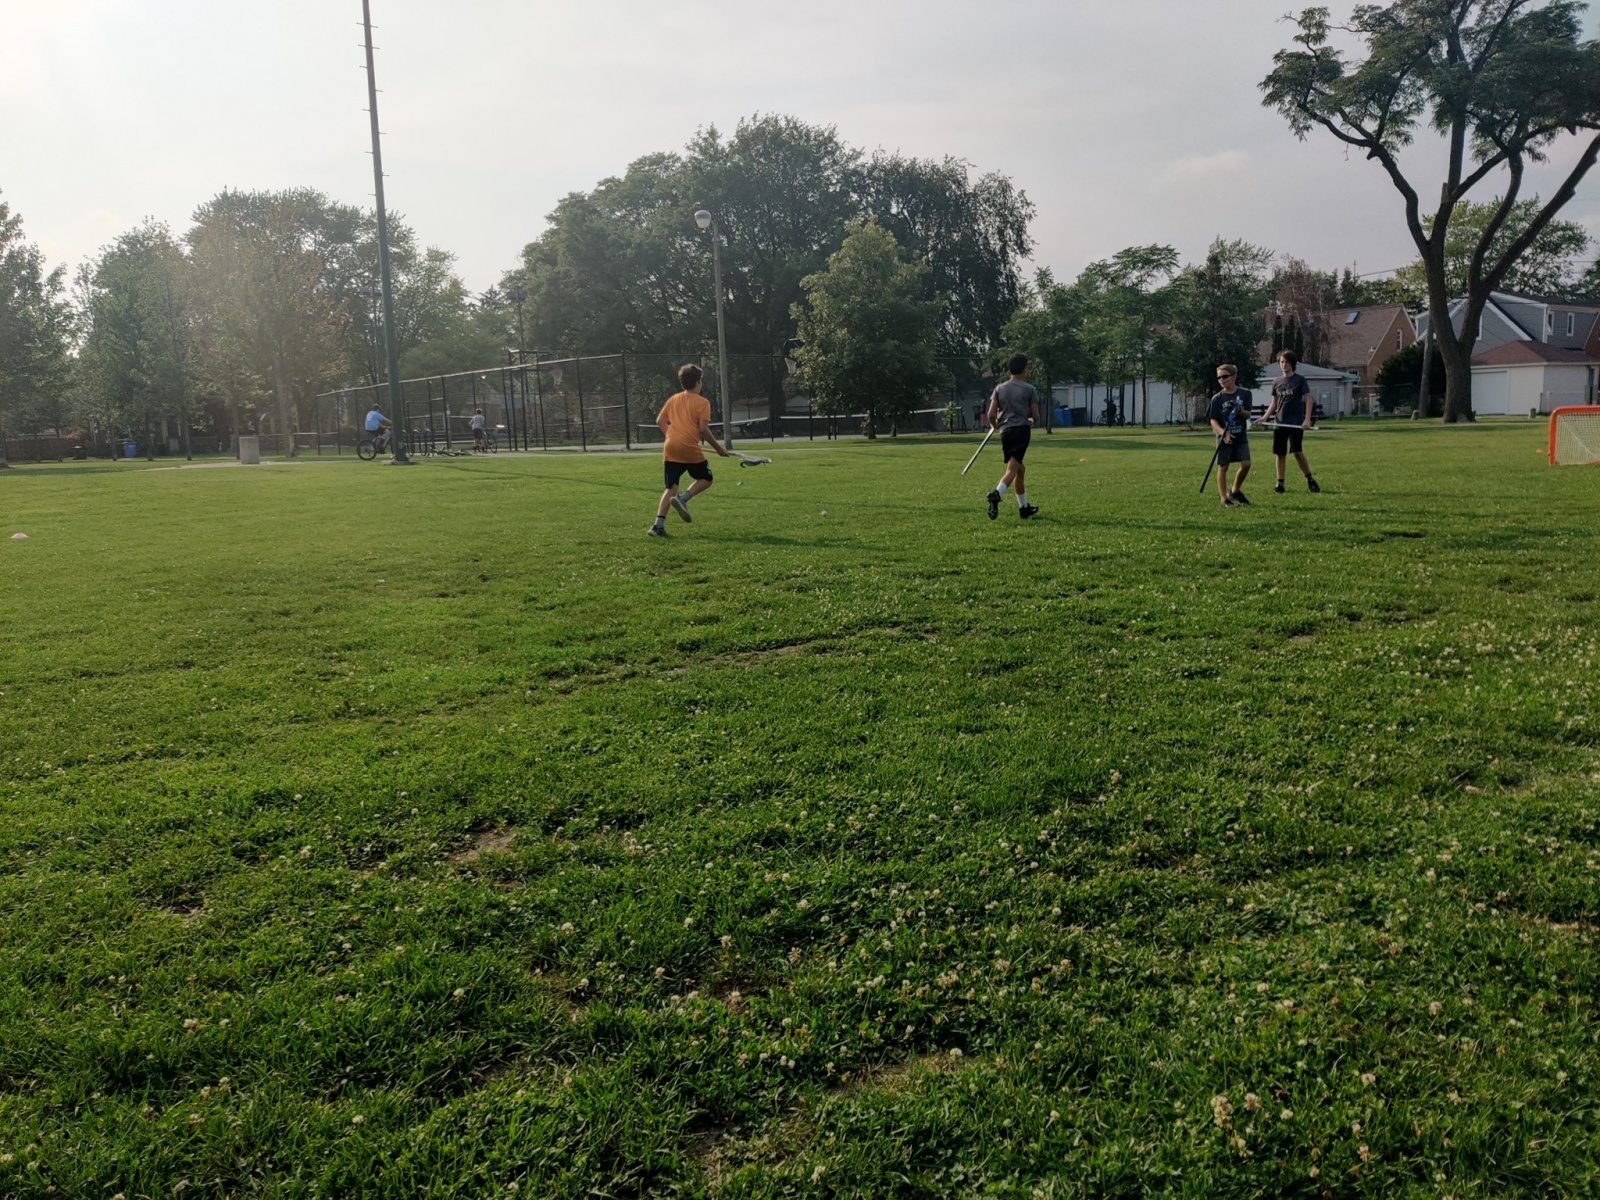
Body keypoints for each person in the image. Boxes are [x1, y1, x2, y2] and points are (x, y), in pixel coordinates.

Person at [649, 363, 730, 537]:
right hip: (689, 447)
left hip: (671, 446)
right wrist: (719, 449)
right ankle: (684, 498)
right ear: (698, 382)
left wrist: (671, 435)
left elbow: (659, 421)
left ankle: (657, 526)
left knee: (671, 487)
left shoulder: (674, 399)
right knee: (706, 478)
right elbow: (703, 430)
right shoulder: (702, 402)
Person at [984, 353, 1041, 520]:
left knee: (1020, 469)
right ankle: (996, 494)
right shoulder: (1029, 389)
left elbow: (991, 414)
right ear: (1024, 369)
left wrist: (996, 426)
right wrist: (1032, 421)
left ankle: (1024, 508)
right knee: (1013, 469)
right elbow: (1036, 416)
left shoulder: (999, 388)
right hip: (1020, 431)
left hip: (1005, 432)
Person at [1262, 350, 1320, 493]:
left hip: (1295, 423)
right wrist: (1264, 417)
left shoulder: (1300, 380)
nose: (1284, 365)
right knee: (1280, 454)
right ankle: (1280, 484)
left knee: (1297, 452)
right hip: (1279, 423)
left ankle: (1310, 479)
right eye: (1282, 362)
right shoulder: (1276, 382)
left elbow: (1308, 399)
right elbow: (1274, 403)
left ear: (1292, 364)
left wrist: (1307, 419)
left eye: (1287, 362)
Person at [1207, 364, 1253, 507]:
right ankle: (1224, 499)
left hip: (1240, 436)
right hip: (1224, 437)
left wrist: (1240, 411)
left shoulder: (1245, 394)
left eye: (1224, 376)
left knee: (1246, 464)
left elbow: (1248, 414)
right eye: (1219, 377)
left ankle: (1234, 491)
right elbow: (1213, 421)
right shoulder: (1217, 398)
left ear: (1234, 376)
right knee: (1223, 466)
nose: (1221, 379)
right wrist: (1223, 433)